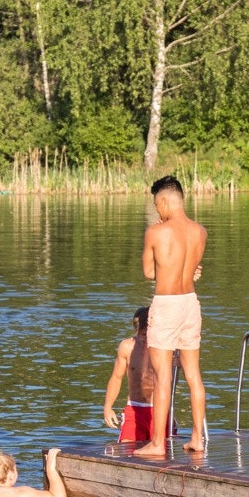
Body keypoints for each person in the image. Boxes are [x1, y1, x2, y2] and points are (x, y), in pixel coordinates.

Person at [135, 175, 208, 458]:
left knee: (162, 375)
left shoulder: (156, 232)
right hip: (191, 302)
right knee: (193, 374)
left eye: (157, 205)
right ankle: (198, 438)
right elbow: (189, 269)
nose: (158, 212)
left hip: (166, 304)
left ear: (164, 200)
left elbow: (149, 273)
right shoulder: (200, 231)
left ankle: (156, 443)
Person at [103, 306, 164, 445]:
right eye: (142, 335)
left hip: (160, 409)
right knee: (127, 450)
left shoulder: (165, 348)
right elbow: (116, 377)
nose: (145, 339)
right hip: (135, 409)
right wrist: (108, 407)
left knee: (162, 455)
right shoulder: (127, 346)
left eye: (148, 335)